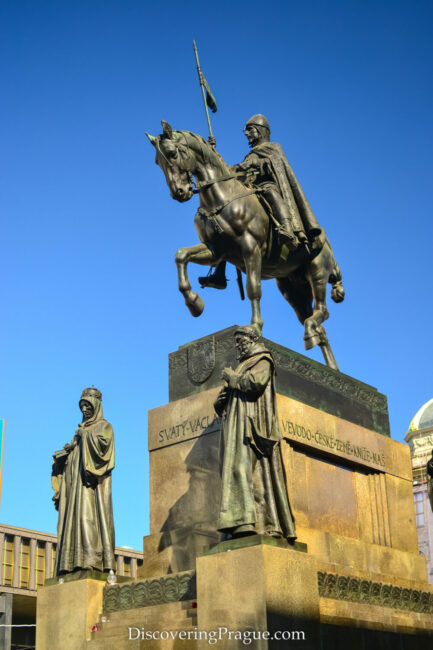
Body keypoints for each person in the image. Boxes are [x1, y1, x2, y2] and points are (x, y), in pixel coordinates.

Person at [199, 114, 323, 290]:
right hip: (250, 189)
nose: (247, 134)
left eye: (250, 130)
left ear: (261, 131)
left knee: (271, 192)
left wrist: (255, 164)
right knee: (226, 221)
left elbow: (274, 165)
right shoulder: (250, 154)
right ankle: (219, 274)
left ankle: (287, 229)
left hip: (268, 186)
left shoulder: (273, 148)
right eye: (246, 131)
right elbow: (231, 172)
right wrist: (213, 152)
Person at [214, 325, 296, 541]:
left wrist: (232, 378)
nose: (238, 346)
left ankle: (249, 523)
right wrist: (221, 401)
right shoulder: (243, 364)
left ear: (252, 339)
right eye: (237, 342)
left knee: (245, 471)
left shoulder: (262, 360)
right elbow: (234, 392)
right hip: (236, 426)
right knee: (236, 471)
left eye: (241, 341)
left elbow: (256, 383)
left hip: (250, 425)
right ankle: (239, 523)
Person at [52, 387, 115, 575]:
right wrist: (67, 454)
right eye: (82, 406)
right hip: (74, 485)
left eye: (88, 406)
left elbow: (104, 452)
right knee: (73, 521)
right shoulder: (80, 430)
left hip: (89, 485)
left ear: (96, 405)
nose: (85, 410)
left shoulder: (104, 426)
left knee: (88, 519)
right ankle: (71, 563)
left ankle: (91, 559)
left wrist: (84, 436)